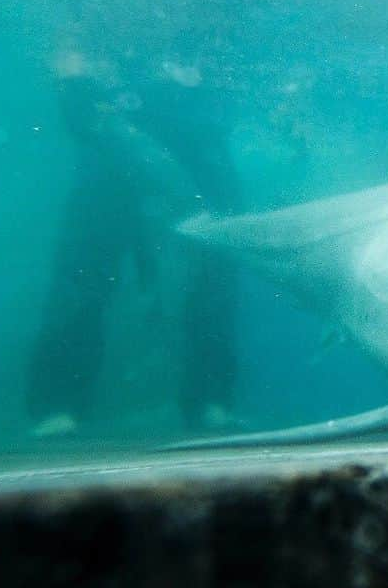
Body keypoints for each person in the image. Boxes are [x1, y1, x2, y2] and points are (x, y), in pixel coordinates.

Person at [26, 50, 241, 438]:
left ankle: (211, 399)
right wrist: (75, 79)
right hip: (114, 149)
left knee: (216, 268)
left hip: (192, 147)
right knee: (83, 271)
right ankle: (57, 403)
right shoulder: (101, 19)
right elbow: (74, 98)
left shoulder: (202, 24)